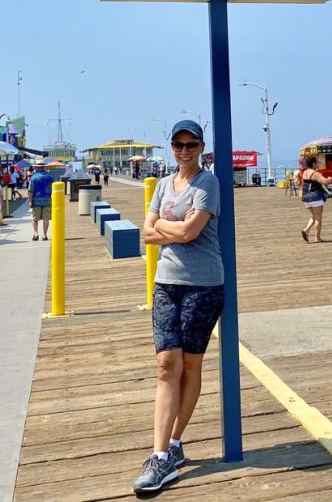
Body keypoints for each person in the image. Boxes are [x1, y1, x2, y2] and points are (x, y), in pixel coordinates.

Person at [132, 120, 223, 494]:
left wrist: (169, 228)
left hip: (203, 283)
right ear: (170, 147)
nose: (184, 151)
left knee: (190, 364)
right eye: (178, 145)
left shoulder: (209, 183)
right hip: (166, 284)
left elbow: (190, 232)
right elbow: (145, 233)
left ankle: (173, 444)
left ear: (201, 147)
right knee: (166, 364)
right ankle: (160, 453)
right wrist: (177, 226)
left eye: (191, 144)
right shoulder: (163, 185)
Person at [299, 155, 331, 243]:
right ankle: (318, 237)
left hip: (306, 198)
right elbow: (325, 181)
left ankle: (306, 230)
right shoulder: (315, 173)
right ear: (313, 164)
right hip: (315, 198)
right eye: (317, 162)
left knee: (314, 216)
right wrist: (329, 179)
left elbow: (302, 184)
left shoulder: (305, 172)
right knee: (318, 218)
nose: (318, 164)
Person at [28, 161, 52, 241]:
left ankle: (36, 233)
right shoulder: (50, 177)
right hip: (48, 199)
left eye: (35, 167)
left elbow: (30, 190)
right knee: (46, 218)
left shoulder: (34, 177)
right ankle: (45, 235)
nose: (34, 169)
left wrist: (30, 201)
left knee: (35, 218)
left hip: (36, 200)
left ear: (38, 168)